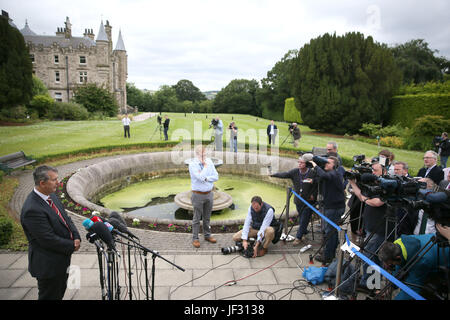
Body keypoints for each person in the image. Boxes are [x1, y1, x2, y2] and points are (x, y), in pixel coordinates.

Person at [20, 165, 81, 300]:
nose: (58, 183)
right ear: (42, 183)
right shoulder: (32, 209)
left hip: (60, 260)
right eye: (54, 180)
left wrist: (76, 236)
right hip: (48, 266)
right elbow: (47, 239)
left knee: (59, 293)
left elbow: (66, 218)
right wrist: (72, 245)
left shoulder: (51, 195)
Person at [348, 162, 393, 289]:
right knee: (370, 256)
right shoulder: (375, 184)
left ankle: (369, 285)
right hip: (370, 226)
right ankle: (372, 284)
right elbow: (361, 196)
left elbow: (377, 202)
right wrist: (352, 183)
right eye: (372, 170)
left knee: (370, 257)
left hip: (379, 229)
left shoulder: (387, 185)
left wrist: (365, 199)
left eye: (375, 170)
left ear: (384, 171)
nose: (372, 173)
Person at [378, 233, 450, 300]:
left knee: (425, 291)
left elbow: (411, 290)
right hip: (436, 248)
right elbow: (400, 265)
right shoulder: (399, 245)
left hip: (445, 259)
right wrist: (390, 287)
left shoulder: (421, 261)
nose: (390, 266)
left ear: (398, 258)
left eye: (391, 264)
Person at [270, 154, 317, 245]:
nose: (299, 164)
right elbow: (285, 174)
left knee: (304, 218)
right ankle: (303, 232)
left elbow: (317, 185)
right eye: (298, 162)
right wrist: (273, 174)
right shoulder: (295, 172)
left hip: (309, 202)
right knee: (302, 217)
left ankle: (298, 237)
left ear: (307, 164)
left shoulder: (312, 173)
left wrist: (313, 195)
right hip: (298, 200)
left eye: (302, 163)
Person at [310, 156, 346, 264]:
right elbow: (320, 178)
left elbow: (324, 175)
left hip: (334, 208)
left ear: (334, 165)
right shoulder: (331, 174)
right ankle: (329, 253)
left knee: (330, 232)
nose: (326, 164)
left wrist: (315, 165)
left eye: (328, 163)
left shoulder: (334, 174)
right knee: (331, 232)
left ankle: (328, 256)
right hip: (331, 206)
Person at [189, 145, 218, 248]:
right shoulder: (193, 165)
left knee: (207, 217)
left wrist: (206, 179)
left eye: (205, 154)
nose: (204, 157)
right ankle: (195, 238)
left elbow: (216, 176)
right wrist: (205, 167)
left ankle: (207, 235)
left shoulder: (209, 161)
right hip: (198, 195)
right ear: (197, 154)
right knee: (197, 218)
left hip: (209, 194)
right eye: (202, 155)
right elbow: (200, 177)